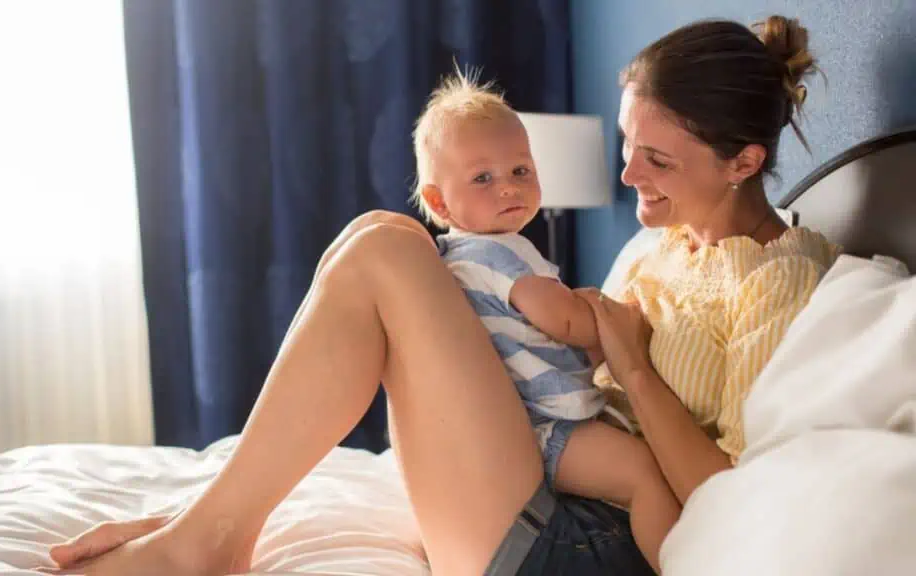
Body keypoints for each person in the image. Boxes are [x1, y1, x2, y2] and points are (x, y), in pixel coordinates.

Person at [44, 14, 840, 576]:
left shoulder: (780, 279)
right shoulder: (658, 247)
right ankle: (217, 523)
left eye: (658, 160)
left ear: (742, 162)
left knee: (392, 246)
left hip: (582, 547)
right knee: (376, 239)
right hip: (531, 478)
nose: (628, 176)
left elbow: (728, 498)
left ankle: (213, 535)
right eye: (628, 147)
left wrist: (633, 369)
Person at [410, 69, 679, 571]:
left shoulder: (453, 258)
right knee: (644, 474)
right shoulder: (502, 257)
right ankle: (679, 565)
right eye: (483, 178)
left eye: (520, 171)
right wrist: (607, 310)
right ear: (439, 202)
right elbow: (566, 326)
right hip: (550, 428)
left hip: (509, 428)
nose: (509, 189)